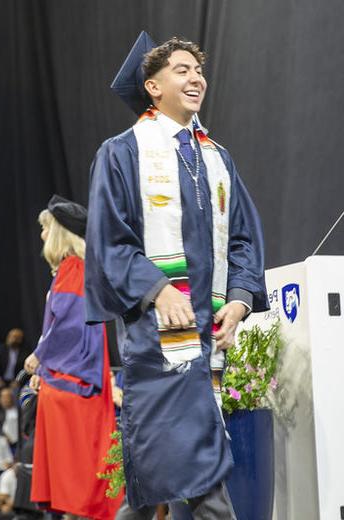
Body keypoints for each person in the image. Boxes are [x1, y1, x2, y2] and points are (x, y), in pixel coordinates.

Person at [85, 33, 267, 517]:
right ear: (153, 86)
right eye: (182, 70)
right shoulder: (123, 153)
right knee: (192, 466)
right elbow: (109, 241)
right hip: (158, 334)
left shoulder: (217, 157)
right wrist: (157, 288)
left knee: (159, 472)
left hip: (207, 330)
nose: (196, 78)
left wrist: (241, 298)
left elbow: (244, 237)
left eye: (199, 71)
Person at [24, 195, 122, 519]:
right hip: (70, 382)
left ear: (59, 232)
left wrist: (40, 357)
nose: (41, 236)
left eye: (45, 228)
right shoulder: (72, 270)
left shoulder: (74, 269)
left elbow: (67, 326)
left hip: (75, 388)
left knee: (78, 485)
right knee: (76, 487)